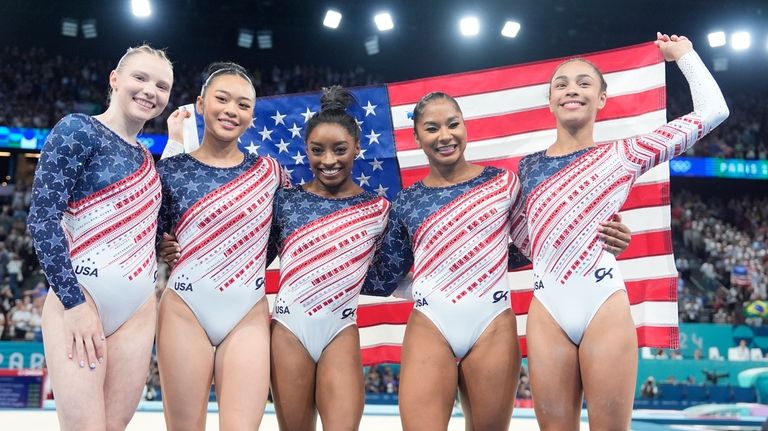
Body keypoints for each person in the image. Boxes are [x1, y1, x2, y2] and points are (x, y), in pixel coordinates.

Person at [362, 91, 632, 430]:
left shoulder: (504, 183)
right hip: (431, 323)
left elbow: (539, 243)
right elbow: (385, 276)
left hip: (492, 325)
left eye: (453, 124)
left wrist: (607, 238)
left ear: (465, 126)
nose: (445, 136)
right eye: (431, 129)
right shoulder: (407, 201)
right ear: (416, 137)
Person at [515, 33, 728, 430]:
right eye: (560, 84)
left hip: (602, 304)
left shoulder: (625, 154)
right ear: (549, 101)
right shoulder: (526, 168)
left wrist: (683, 54)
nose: (571, 90)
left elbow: (714, 110)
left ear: (602, 99)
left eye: (584, 83)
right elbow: (521, 242)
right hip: (547, 310)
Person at [27, 45, 173, 430]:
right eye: (140, 78)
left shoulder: (147, 160)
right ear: (115, 79)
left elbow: (148, 233)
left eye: (162, 85)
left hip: (137, 311)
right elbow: (43, 219)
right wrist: (73, 304)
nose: (150, 91)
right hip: (80, 297)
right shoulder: (78, 130)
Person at [155, 62, 287, 431]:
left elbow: (280, 237)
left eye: (243, 105)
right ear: (201, 104)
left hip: (246, 311)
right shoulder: (171, 170)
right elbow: (150, 233)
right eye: (222, 99)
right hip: (185, 309)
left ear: (251, 115)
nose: (232, 110)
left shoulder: (271, 172)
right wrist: (162, 246)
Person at [268, 86, 389, 430]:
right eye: (317, 150)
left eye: (340, 149)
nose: (329, 160)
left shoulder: (378, 209)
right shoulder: (286, 201)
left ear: (357, 148)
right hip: (290, 328)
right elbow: (251, 258)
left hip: (340, 328)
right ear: (306, 149)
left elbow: (390, 274)